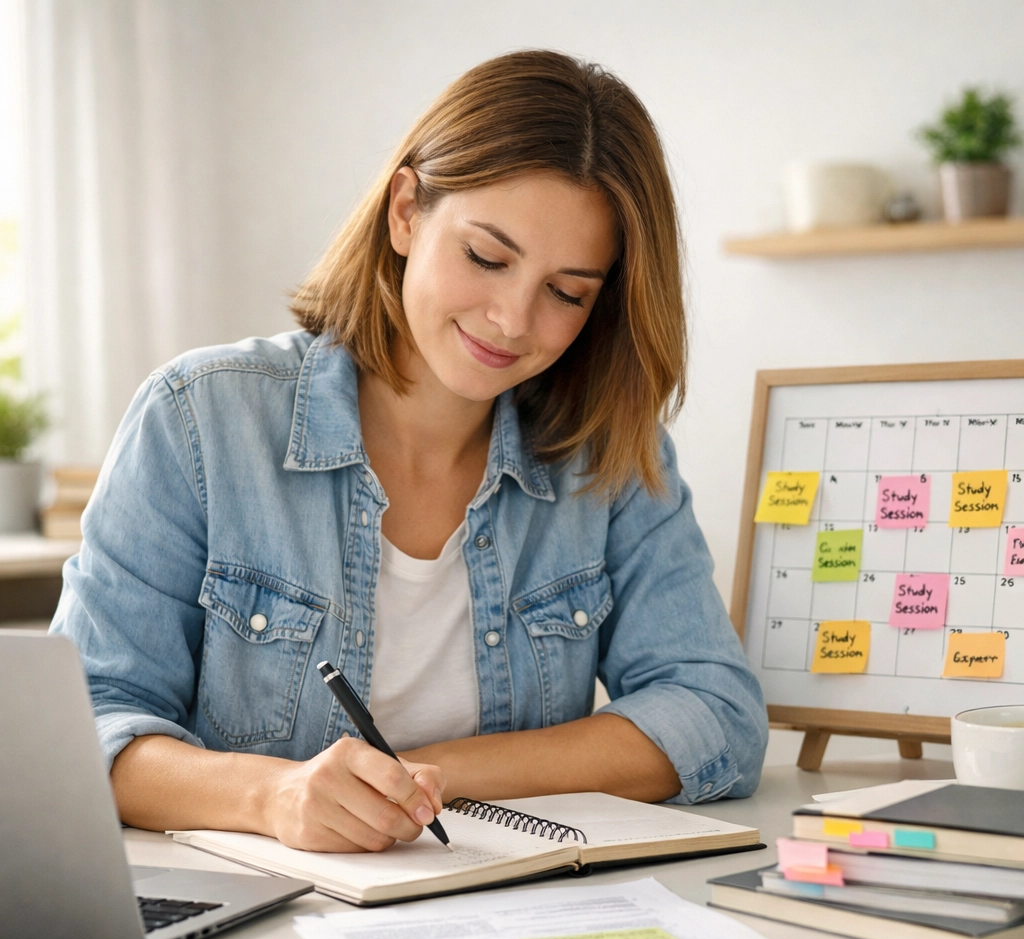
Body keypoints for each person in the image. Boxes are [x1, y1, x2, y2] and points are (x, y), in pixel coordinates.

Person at [52, 50, 768, 854]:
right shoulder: (199, 418)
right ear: (405, 212)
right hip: (270, 910)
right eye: (486, 258)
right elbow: (86, 727)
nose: (512, 319)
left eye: (566, 292)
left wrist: (428, 776)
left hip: (503, 902)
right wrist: (274, 796)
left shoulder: (607, 454)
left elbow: (716, 713)